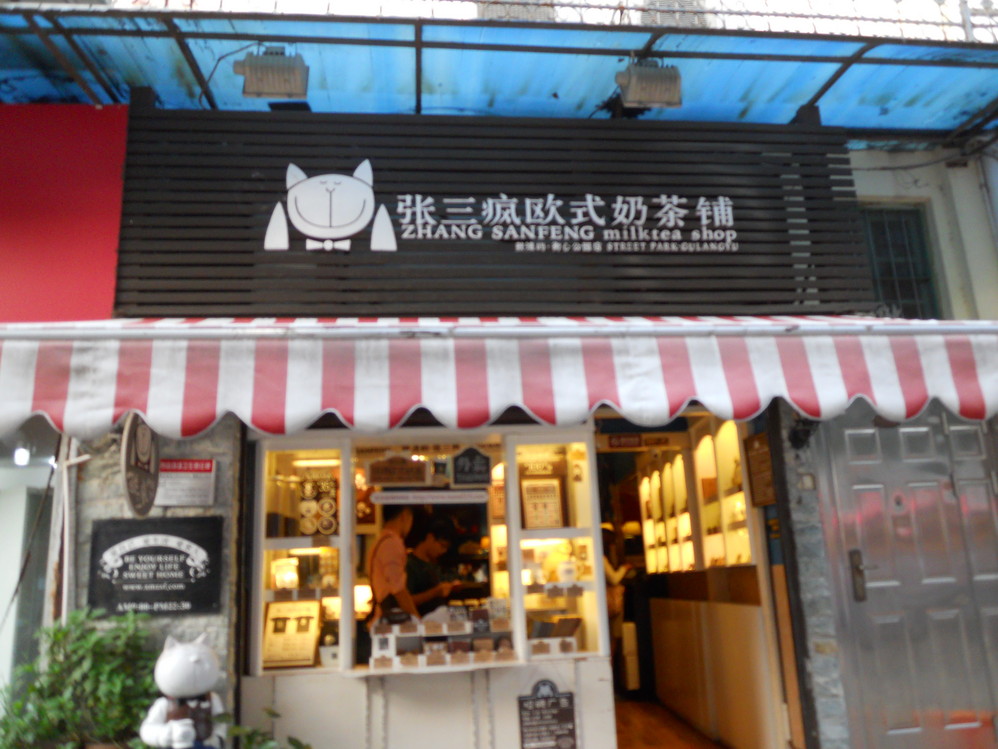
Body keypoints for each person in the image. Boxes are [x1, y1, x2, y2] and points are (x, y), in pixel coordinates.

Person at [367, 504, 420, 627]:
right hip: (392, 623)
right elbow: (398, 589)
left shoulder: (380, 540)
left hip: (382, 619)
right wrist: (417, 621)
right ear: (404, 515)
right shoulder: (392, 543)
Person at [406, 516, 460, 616]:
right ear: (430, 537)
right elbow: (405, 601)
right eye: (442, 545)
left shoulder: (435, 563)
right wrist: (435, 592)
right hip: (419, 622)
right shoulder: (410, 565)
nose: (444, 551)